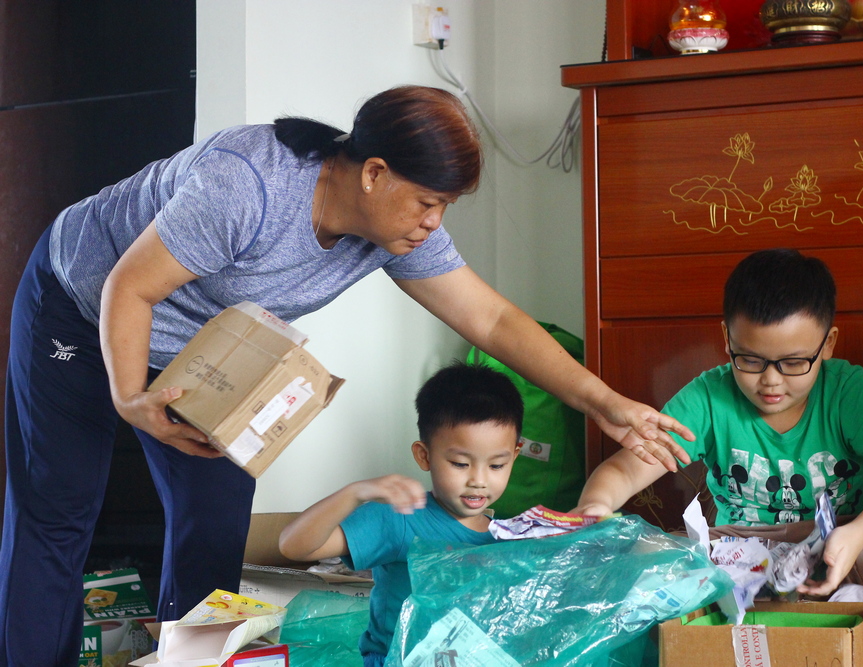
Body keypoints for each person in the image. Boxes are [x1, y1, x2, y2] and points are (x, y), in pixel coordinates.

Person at [0, 84, 694, 666]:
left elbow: (492, 321)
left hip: (201, 348)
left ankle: (190, 664)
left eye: (445, 207)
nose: (434, 223)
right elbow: (129, 288)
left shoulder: (394, 230)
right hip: (83, 305)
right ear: (374, 173)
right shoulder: (247, 185)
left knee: (213, 526)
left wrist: (604, 402)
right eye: (428, 202)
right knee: (59, 513)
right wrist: (130, 397)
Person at [573, 248, 863, 667]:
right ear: (727, 338)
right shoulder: (709, 396)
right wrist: (595, 505)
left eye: (794, 363)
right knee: (632, 551)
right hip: (735, 559)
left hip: (843, 553)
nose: (771, 381)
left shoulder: (846, 391)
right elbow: (626, 469)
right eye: (750, 360)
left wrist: (857, 536)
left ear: (828, 344)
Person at [279, 361, 523, 667]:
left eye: (496, 465)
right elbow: (295, 546)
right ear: (424, 455)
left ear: (515, 455)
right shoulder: (401, 517)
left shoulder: (508, 536)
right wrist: (354, 493)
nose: (479, 480)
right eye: (460, 464)